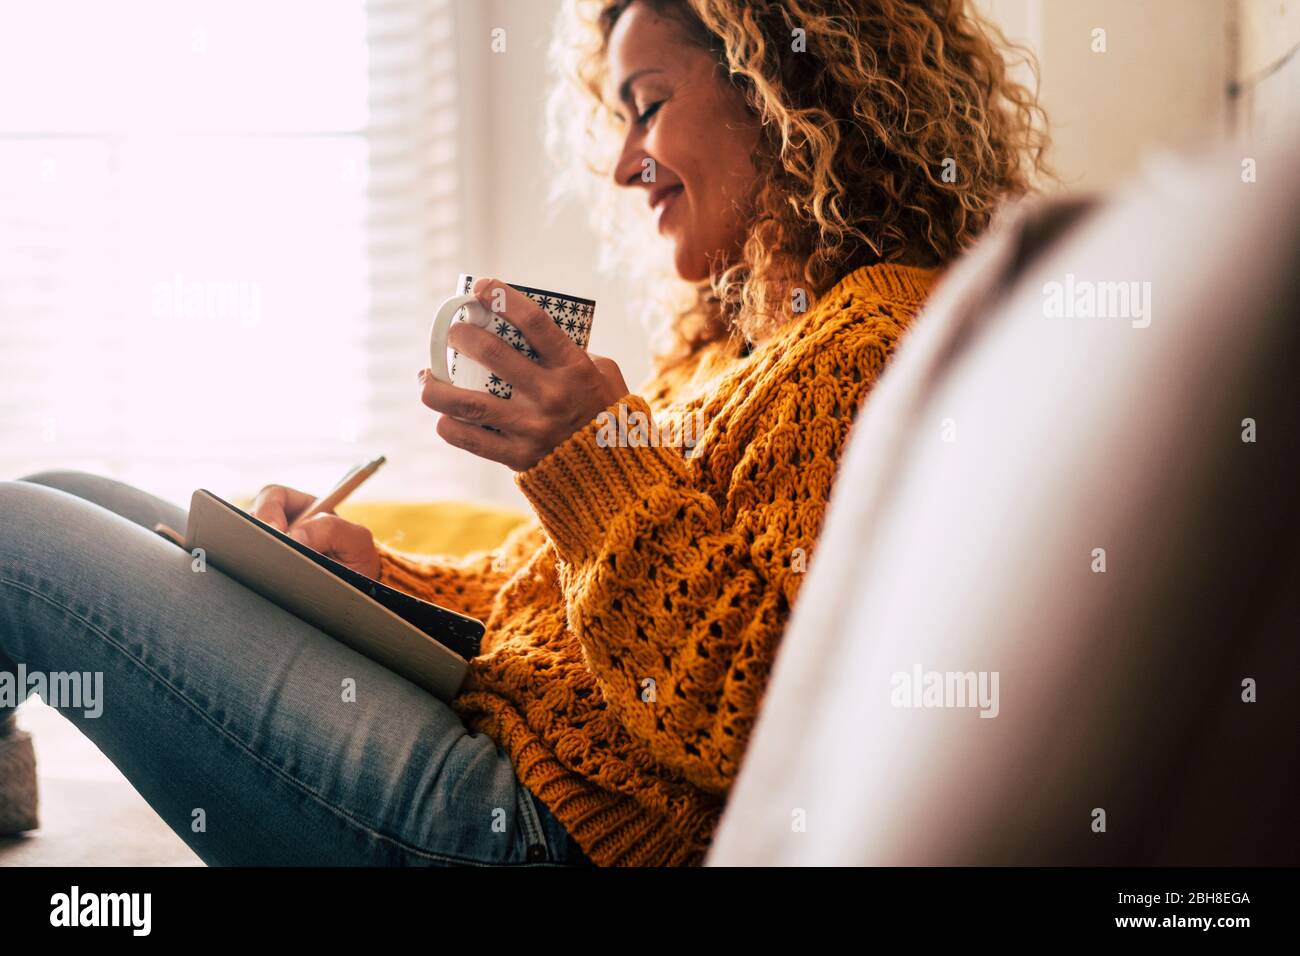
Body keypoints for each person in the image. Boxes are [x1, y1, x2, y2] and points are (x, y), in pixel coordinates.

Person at [0, 0, 1047, 865]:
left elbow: (761, 721)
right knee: (65, 492)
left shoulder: (870, 346)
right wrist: (377, 580)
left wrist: (590, 459)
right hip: (513, 742)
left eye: (648, 107)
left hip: (541, 825)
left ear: (783, 88)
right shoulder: (733, 346)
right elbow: (545, 608)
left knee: (15, 538)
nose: (624, 164)